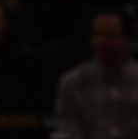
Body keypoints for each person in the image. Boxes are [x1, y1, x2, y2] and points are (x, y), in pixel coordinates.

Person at [53, 7, 138, 139]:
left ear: (127, 40)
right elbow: (69, 130)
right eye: (96, 35)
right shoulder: (73, 82)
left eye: (109, 36)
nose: (101, 41)